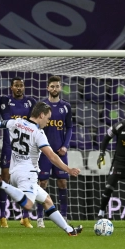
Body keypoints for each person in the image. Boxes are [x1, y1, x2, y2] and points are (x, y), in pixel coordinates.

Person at [0, 102, 83, 236]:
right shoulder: (38, 133)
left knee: (47, 201)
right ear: (41, 115)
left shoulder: (16, 122)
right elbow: (51, 156)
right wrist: (68, 169)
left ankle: (70, 230)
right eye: (48, 118)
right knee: (28, 204)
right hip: (27, 173)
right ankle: (2, 184)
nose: (48, 122)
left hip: (15, 172)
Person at [0, 76, 37, 228]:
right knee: (5, 179)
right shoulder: (5, 101)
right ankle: (2, 216)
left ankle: (25, 217)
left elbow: (33, 124)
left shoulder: (31, 102)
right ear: (11, 88)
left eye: (21, 85)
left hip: (25, 149)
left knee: (25, 180)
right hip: (9, 147)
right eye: (16, 85)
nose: (19, 88)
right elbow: (9, 122)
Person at [36, 76, 72, 228]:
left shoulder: (66, 107)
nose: (55, 89)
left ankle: (63, 216)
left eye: (57, 86)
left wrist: (65, 146)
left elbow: (69, 128)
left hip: (60, 152)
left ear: (60, 87)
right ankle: (39, 218)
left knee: (62, 183)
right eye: (52, 86)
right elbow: (36, 126)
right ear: (48, 88)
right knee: (41, 184)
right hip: (44, 152)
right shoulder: (41, 106)